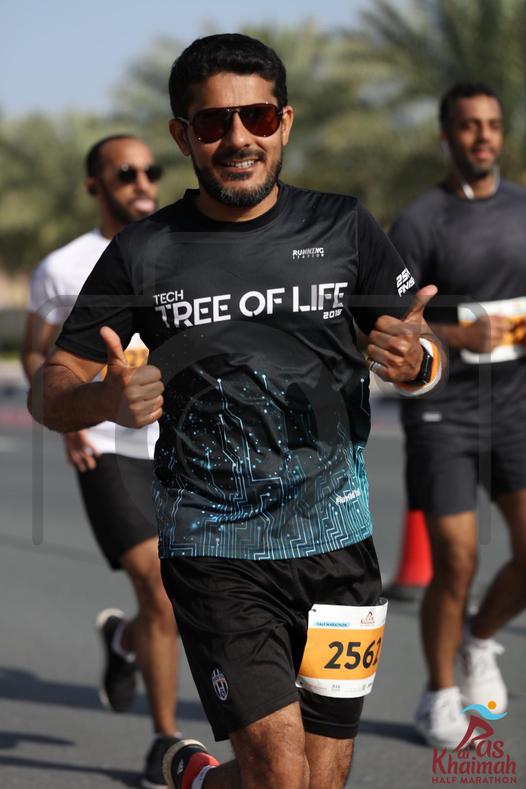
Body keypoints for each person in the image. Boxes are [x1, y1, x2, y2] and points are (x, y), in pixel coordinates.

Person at [29, 34, 444, 789]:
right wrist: (103, 398)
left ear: (285, 122)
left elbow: (418, 342)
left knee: (318, 779)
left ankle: (193, 778)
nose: (239, 138)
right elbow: (50, 387)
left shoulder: (344, 226)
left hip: (340, 547)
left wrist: (419, 362)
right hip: (215, 547)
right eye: (214, 123)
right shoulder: (144, 250)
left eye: (257, 116)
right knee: (282, 773)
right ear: (182, 135)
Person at [21, 134, 182, 788]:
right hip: (108, 447)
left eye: (151, 170)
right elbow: (37, 356)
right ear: (95, 186)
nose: (142, 182)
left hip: (179, 445)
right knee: (159, 589)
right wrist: (71, 417)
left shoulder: (181, 249)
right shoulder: (62, 267)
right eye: (125, 173)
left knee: (186, 593)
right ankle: (166, 741)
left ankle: (123, 641)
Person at [389, 83, 526, 750]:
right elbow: (392, 324)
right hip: (444, 411)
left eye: (492, 124)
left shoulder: (523, 209)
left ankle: (478, 639)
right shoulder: (421, 221)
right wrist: (454, 333)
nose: (483, 136)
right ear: (447, 136)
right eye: (469, 125)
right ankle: (438, 694)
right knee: (457, 561)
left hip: (516, 405)